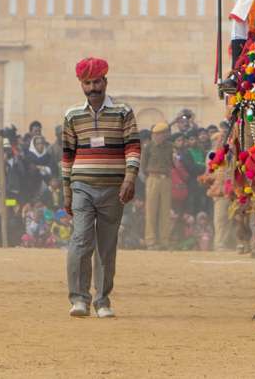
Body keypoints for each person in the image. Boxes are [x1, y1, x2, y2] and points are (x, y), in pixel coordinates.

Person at [62, 57, 140, 317]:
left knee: (107, 245)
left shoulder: (123, 112)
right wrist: (66, 189)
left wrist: (130, 178)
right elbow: (67, 155)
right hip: (82, 186)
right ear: (81, 85)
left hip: (113, 188)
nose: (93, 87)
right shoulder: (72, 115)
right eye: (87, 83)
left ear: (105, 81)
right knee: (81, 240)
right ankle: (79, 299)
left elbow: (133, 147)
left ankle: (102, 301)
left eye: (97, 82)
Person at [141, 123, 173, 250]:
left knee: (165, 211)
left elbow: (171, 162)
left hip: (166, 179)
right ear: (154, 134)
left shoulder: (169, 147)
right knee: (151, 210)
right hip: (153, 178)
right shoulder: (148, 147)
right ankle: (151, 241)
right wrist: (149, 175)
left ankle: (164, 240)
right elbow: (143, 165)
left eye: (164, 133)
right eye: (159, 134)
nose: (162, 136)